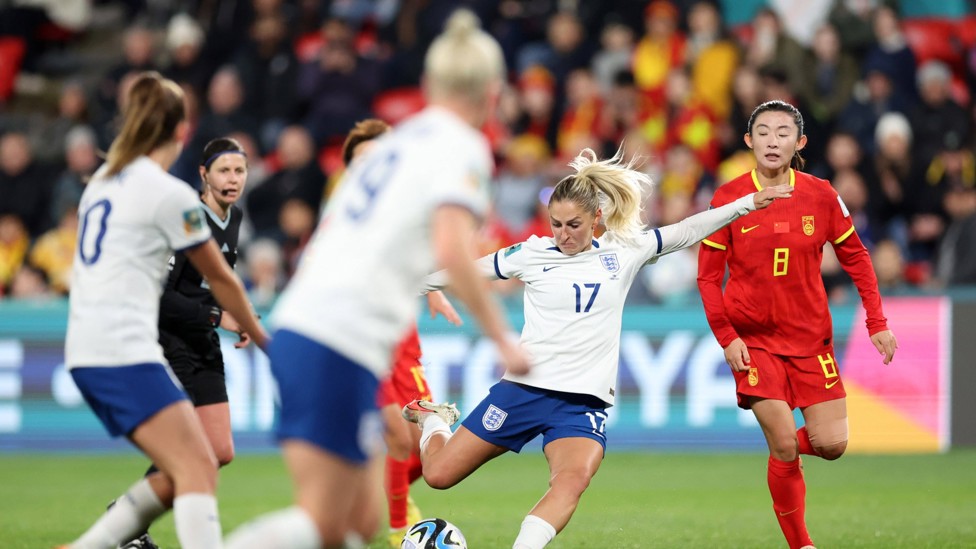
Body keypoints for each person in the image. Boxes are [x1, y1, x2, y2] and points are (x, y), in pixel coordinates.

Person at [223, 10, 529, 548]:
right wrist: (503, 337)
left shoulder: (396, 145)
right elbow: (454, 246)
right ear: (493, 92)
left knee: (359, 521)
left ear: (430, 85)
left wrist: (422, 287)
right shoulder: (462, 146)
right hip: (337, 340)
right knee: (329, 519)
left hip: (310, 328)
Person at [406, 145, 792, 549]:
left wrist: (748, 203)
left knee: (571, 482)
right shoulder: (531, 253)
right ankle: (433, 418)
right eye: (555, 224)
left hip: (581, 405)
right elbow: (463, 272)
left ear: (597, 218)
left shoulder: (623, 252)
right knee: (439, 476)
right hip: (523, 391)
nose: (563, 234)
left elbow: (686, 231)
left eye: (573, 224)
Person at [62, 71, 268, 549]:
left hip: (91, 343)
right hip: (127, 347)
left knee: (207, 455)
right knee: (196, 464)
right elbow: (220, 278)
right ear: (181, 132)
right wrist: (264, 339)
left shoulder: (102, 183)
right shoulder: (169, 195)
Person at [696, 100, 898, 549]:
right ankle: (801, 544)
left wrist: (877, 322)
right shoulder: (729, 198)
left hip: (810, 339)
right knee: (785, 443)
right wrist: (727, 337)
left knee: (831, 444)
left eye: (783, 132)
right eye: (763, 132)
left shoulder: (821, 194)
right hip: (754, 340)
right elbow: (708, 277)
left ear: (799, 142)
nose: (773, 140)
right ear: (749, 141)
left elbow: (858, 258)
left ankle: (780, 452)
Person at [117, 136, 253, 549]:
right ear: (203, 175)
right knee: (194, 453)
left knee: (220, 451)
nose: (232, 179)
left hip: (203, 341)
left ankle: (124, 518)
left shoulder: (235, 218)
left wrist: (239, 314)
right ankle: (127, 528)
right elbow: (161, 294)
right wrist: (218, 315)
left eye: (240, 170)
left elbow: (212, 282)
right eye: (224, 171)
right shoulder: (187, 219)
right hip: (171, 341)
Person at [340, 117, 464, 547]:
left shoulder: (410, 210)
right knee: (396, 433)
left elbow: (416, 258)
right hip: (365, 341)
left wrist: (431, 292)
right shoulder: (345, 216)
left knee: (420, 452)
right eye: (362, 159)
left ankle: (383, 494)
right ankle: (397, 532)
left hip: (404, 344)